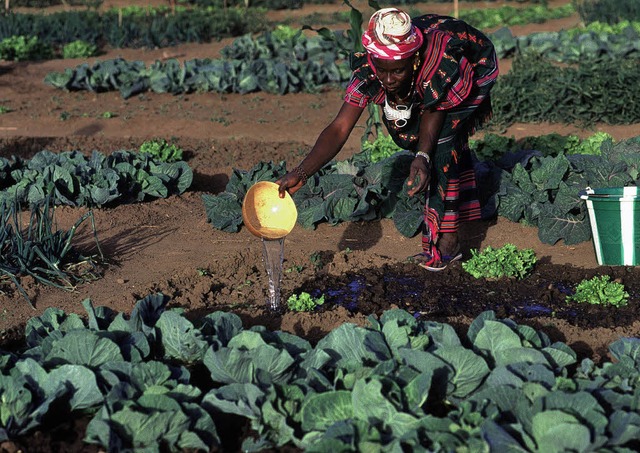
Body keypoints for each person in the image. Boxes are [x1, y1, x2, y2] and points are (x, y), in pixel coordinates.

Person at [277, 7, 499, 271]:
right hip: (425, 80)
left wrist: (423, 155)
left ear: (414, 60)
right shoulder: (371, 67)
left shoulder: (437, 61)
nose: (388, 79)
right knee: (426, 139)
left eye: (397, 72)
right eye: (382, 70)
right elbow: (339, 127)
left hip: (475, 64)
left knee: (441, 143)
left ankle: (446, 243)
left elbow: (434, 108)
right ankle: (463, 207)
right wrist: (301, 173)